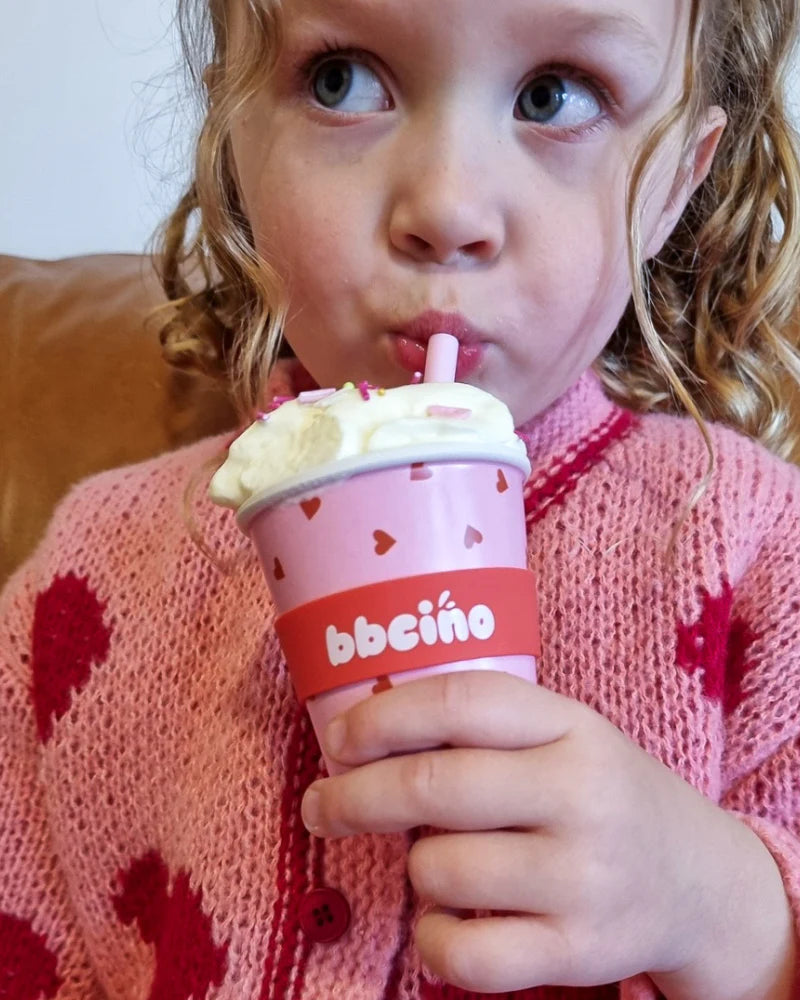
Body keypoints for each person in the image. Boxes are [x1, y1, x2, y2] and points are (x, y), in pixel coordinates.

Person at [2, 0, 800, 997]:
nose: (446, 207)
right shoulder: (90, 579)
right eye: (341, 79)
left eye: (554, 94)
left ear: (676, 178)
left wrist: (718, 904)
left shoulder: (760, 557)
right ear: (232, 136)